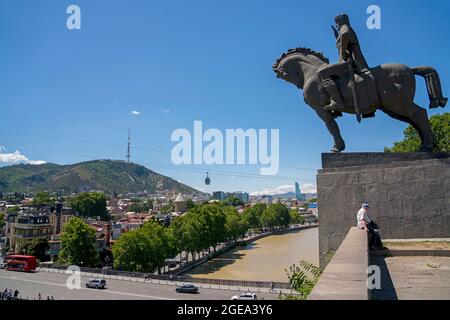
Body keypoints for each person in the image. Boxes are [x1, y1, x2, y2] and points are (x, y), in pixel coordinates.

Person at [318, 14, 369, 112]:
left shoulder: (345, 28)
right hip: (348, 61)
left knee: (322, 72)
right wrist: (337, 36)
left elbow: (345, 35)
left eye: (337, 22)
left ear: (343, 21)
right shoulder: (343, 30)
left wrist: (342, 52)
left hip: (350, 62)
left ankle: (336, 101)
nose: (336, 25)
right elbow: (343, 38)